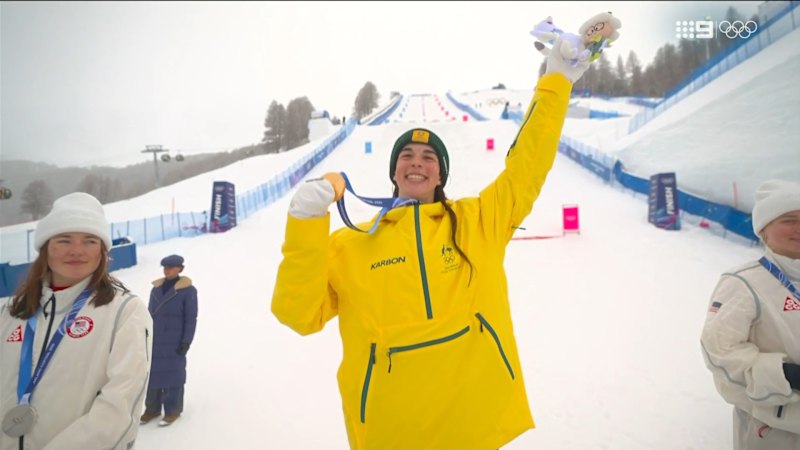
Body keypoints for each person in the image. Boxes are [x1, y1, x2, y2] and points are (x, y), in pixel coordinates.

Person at [271, 32, 591, 450]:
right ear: (395, 173)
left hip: (476, 423)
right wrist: (305, 223)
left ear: (440, 175)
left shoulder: (478, 222)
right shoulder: (351, 244)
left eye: (428, 159)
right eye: (407, 156)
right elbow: (298, 314)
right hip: (391, 431)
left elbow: (527, 166)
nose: (417, 163)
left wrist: (555, 84)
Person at [0, 192, 152, 449]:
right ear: (46, 246)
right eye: (64, 239)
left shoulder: (125, 312)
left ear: (102, 251)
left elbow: (118, 410)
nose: (77, 251)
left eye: (90, 241)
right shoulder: (9, 312)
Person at [701, 179, 800, 449]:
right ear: (764, 229)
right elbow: (720, 352)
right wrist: (786, 374)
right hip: (773, 431)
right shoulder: (742, 282)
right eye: (789, 219)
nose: (799, 228)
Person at [140, 254, 198, 427]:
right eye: (165, 267)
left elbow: (191, 318)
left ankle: (172, 411)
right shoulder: (156, 289)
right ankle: (152, 409)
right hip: (155, 339)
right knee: (153, 375)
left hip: (175, 341)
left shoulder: (188, 291)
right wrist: (145, 334)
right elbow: (149, 314)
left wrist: (186, 341)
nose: (168, 270)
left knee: (174, 376)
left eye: (172, 267)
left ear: (180, 269)